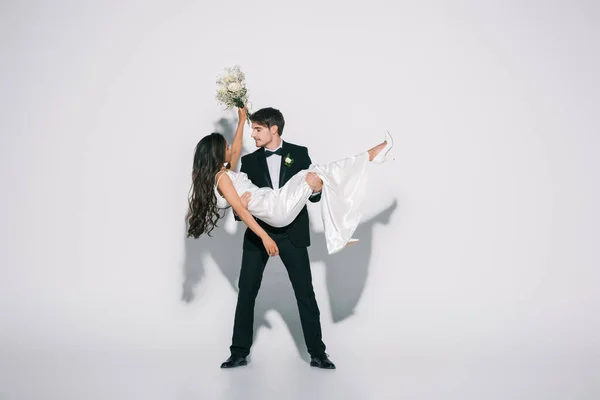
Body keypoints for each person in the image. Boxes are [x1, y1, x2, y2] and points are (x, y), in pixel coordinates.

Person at [186, 106, 393, 369]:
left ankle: (318, 353)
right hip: (262, 227)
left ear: (274, 129)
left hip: (290, 228)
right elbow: (238, 207)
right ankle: (238, 352)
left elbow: (235, 152)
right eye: (251, 129)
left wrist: (240, 121)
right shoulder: (244, 166)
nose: (252, 135)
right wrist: (257, 225)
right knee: (246, 293)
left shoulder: (298, 153)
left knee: (305, 293)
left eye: (257, 129)